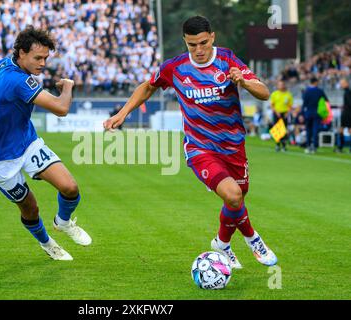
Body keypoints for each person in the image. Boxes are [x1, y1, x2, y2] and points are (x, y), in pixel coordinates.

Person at [104, 16, 277, 269]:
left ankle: (222, 244)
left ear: (213, 37)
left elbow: (264, 92)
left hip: (233, 146)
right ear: (185, 42)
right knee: (234, 195)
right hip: (200, 148)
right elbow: (148, 87)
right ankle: (254, 240)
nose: (198, 50)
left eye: (203, 43)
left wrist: (244, 82)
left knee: (235, 201)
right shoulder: (175, 67)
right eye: (192, 45)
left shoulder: (227, 59)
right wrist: (122, 113)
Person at [0, 26, 91, 261]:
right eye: (37, 58)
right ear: (21, 53)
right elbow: (61, 109)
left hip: (27, 142)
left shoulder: (4, 63)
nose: (42, 63)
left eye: (46, 58)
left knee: (70, 187)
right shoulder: (19, 81)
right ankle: (47, 243)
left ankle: (63, 222)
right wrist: (68, 87)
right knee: (30, 207)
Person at [301, 77, 329, 154]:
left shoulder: (306, 91)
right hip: (317, 112)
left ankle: (308, 146)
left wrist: (302, 113)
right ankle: (314, 146)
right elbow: (326, 100)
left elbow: (304, 103)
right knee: (315, 130)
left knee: (308, 130)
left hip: (308, 113)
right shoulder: (320, 91)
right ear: (316, 82)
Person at [270, 80, 293, 151]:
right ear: (277, 86)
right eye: (280, 85)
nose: (281, 86)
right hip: (277, 113)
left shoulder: (288, 94)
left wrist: (287, 113)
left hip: (285, 113)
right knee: (277, 129)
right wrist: (276, 112)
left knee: (283, 129)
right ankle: (277, 145)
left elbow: (290, 105)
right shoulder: (274, 94)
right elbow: (272, 105)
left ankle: (283, 145)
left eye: (282, 84)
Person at [336, 78, 351, 153]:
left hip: (347, 113)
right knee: (342, 129)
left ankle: (340, 147)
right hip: (346, 112)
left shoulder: (348, 92)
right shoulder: (346, 92)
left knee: (347, 129)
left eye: (342, 83)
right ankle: (340, 147)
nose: (341, 85)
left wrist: (345, 108)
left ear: (346, 83)